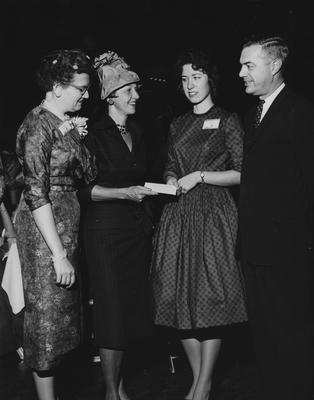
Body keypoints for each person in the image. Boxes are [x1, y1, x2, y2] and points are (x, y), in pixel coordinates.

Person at [150, 49, 247, 400]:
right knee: (180, 301)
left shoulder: (228, 120)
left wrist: (201, 176)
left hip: (214, 215)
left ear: (211, 79)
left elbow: (241, 172)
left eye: (197, 76)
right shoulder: (177, 123)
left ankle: (203, 385)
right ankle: (198, 383)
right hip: (178, 215)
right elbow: (171, 165)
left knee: (210, 299)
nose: (190, 85)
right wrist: (173, 176)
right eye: (185, 78)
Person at [14, 49, 96, 400]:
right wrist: (58, 254)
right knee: (46, 321)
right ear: (57, 86)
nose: (87, 95)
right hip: (44, 234)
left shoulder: (63, 123)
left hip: (66, 225)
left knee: (63, 319)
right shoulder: (36, 125)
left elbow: (89, 174)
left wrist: (78, 135)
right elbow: (35, 193)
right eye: (81, 88)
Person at [238, 35, 314, 400]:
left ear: (275, 65)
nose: (241, 73)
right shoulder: (253, 114)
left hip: (287, 253)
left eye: (249, 65)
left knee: (291, 341)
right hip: (256, 250)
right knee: (266, 340)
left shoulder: (300, 113)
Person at [80, 50, 157, 400]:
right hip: (105, 236)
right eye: (129, 91)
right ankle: (112, 392)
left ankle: (120, 385)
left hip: (134, 233)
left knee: (128, 314)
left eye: (136, 90)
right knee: (111, 314)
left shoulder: (137, 132)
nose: (136, 96)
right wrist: (124, 193)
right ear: (111, 97)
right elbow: (84, 190)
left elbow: (142, 177)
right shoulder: (93, 136)